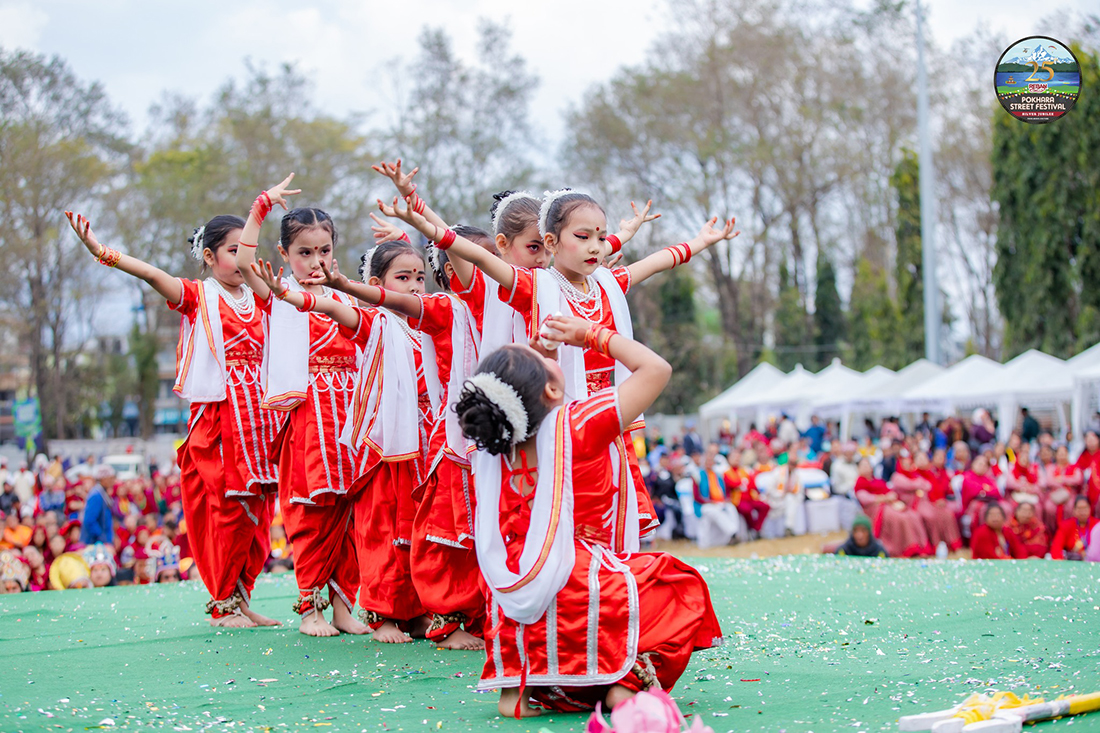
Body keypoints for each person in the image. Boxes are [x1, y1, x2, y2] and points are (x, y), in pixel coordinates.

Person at [381, 186, 696, 544]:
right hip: (522, 416)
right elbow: (470, 255)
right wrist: (423, 220)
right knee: (525, 515)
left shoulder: (577, 285)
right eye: (534, 247)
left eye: (546, 249)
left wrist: (683, 240)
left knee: (591, 514)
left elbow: (612, 253)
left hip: (587, 415)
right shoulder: (506, 287)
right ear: (503, 245)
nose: (543, 257)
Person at [457, 314, 721, 717]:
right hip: (578, 580)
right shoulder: (575, 424)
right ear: (551, 388)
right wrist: (589, 335)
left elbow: (526, 401)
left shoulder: (494, 449)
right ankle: (625, 684)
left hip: (512, 589)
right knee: (677, 584)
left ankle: (516, 692)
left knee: (525, 597)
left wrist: (536, 369)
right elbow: (656, 369)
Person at [67, 207, 282, 629]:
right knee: (227, 508)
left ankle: (241, 598)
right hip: (220, 416)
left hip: (260, 418)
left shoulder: (260, 297)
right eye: (232, 252)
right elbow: (150, 274)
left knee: (259, 511)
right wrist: (101, 251)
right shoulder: (198, 295)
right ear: (207, 256)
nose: (241, 262)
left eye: (245, 253)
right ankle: (222, 603)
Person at [236, 174, 365, 637]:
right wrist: (261, 205)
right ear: (286, 256)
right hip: (309, 419)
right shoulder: (279, 294)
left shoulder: (348, 292)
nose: (316, 260)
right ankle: (309, 610)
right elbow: (244, 259)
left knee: (350, 514)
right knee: (312, 513)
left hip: (351, 416)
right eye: (305, 252)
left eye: (324, 250)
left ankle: (345, 606)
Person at [853, 458, 931, 558]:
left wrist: (891, 496)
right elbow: (865, 499)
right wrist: (884, 498)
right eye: (863, 466)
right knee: (900, 519)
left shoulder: (878, 480)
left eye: (867, 465)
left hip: (889, 504)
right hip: (876, 509)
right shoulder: (860, 483)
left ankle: (920, 547)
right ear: (858, 469)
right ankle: (905, 549)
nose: (866, 468)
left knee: (912, 515)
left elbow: (889, 490)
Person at [692, 448, 741, 549]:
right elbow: (697, 496)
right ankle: (732, 532)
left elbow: (725, 491)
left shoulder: (718, 475)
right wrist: (710, 501)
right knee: (713, 511)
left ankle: (732, 536)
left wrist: (727, 499)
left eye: (711, 461)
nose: (709, 463)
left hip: (720, 502)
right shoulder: (697, 475)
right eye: (707, 461)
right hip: (704, 505)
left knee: (731, 508)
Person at [724, 449, 770, 535]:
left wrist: (741, 484)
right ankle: (752, 528)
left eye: (738, 457)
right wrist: (742, 483)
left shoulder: (744, 470)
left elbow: (752, 484)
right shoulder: (726, 472)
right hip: (737, 500)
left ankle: (756, 528)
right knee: (746, 509)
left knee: (765, 506)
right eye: (734, 457)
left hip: (750, 498)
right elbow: (731, 484)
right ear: (729, 459)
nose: (736, 459)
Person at [1050, 496, 1098, 561]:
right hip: (1072, 562)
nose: (1082, 512)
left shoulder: (1097, 525)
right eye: (1079, 509)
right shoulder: (1066, 525)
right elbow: (1056, 548)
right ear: (1074, 510)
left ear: (1090, 509)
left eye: (1085, 508)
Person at [80, 466, 114, 548]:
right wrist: (103, 539)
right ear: (103, 479)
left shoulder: (102, 493)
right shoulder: (96, 495)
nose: (112, 481)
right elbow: (90, 520)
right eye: (110, 478)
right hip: (94, 543)